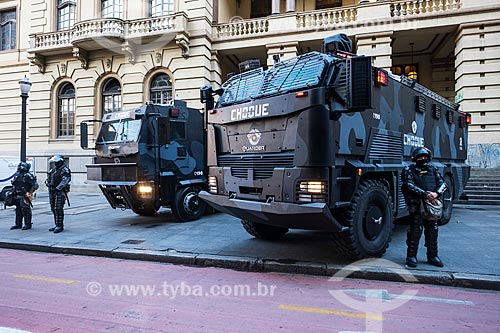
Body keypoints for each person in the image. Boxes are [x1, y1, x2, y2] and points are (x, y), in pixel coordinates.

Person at [402, 147, 447, 268]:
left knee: (433, 231)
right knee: (415, 231)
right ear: (415, 158)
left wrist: (436, 193)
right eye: (420, 157)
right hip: (417, 205)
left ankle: (433, 256)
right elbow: (408, 184)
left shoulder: (433, 169)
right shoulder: (409, 169)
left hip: (431, 205)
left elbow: (443, 184)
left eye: (424, 157)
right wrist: (425, 194)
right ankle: (411, 256)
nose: (422, 159)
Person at [45, 155, 71, 233]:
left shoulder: (65, 170)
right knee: (53, 208)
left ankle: (60, 225)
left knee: (58, 208)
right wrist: (47, 183)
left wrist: (58, 188)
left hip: (60, 191)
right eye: (54, 162)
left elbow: (66, 179)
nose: (55, 163)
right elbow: (48, 178)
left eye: (56, 162)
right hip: (52, 191)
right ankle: (56, 224)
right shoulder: (53, 170)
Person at [10, 162, 38, 230]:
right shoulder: (18, 175)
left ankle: (27, 224)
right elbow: (15, 184)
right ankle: (18, 224)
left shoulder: (28, 175)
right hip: (17, 194)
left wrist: (29, 193)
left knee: (25, 210)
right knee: (18, 210)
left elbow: (35, 185)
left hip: (24, 195)